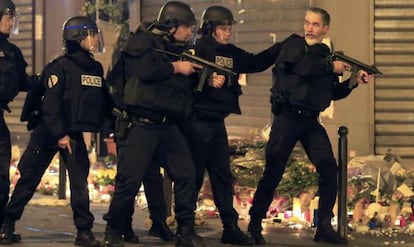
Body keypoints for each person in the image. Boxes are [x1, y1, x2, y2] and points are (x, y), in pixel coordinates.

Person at [247, 7, 373, 245]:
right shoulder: (294, 46)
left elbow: (332, 92)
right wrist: (330, 67)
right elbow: (302, 68)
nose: (310, 29)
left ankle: (323, 225)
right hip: (286, 118)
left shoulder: (324, 55)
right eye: (307, 23)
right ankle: (254, 225)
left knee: (328, 169)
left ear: (325, 28)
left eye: (316, 25)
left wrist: (353, 81)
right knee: (273, 171)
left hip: (310, 120)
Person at [0, 16, 109, 247]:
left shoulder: (95, 68)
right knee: (29, 178)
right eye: (91, 35)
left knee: (79, 183)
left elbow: (102, 101)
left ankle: (84, 232)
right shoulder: (59, 68)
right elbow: (50, 105)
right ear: (78, 38)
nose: (95, 39)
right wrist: (60, 134)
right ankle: (7, 224)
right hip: (49, 132)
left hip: (74, 133)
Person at [102, 2, 203, 247]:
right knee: (130, 180)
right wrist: (175, 67)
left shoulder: (176, 49)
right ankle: (113, 230)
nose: (190, 33)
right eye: (187, 27)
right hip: (140, 126)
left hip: (166, 125)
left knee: (186, 174)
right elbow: (144, 70)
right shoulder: (143, 42)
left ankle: (186, 230)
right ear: (171, 25)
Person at [178, 5, 281, 246]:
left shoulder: (231, 53)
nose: (228, 33)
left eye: (229, 29)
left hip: (216, 123)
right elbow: (183, 75)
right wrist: (205, 78)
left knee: (222, 176)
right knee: (192, 177)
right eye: (224, 29)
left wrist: (279, 49)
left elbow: (255, 63)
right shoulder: (196, 49)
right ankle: (185, 228)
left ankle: (230, 226)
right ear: (211, 29)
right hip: (196, 122)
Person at [0, 0, 37, 243]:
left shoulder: (12, 51)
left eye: (13, 17)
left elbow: (23, 82)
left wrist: (48, 80)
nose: (11, 21)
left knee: (2, 172)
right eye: (7, 16)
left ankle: (3, 226)